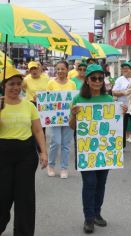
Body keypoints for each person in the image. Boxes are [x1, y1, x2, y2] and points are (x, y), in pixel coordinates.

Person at [69, 64, 127, 234]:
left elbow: (113, 127)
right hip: (86, 148)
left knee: (101, 183)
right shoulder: (78, 100)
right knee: (90, 182)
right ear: (87, 80)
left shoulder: (109, 100)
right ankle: (88, 218)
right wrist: (74, 115)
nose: (97, 81)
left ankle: (97, 213)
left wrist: (121, 114)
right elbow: (72, 126)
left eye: (100, 78)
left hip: (105, 149)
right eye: (93, 78)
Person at [0, 66, 48, 236]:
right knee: (2, 196)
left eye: (18, 84)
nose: (15, 88)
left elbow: (37, 131)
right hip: (2, 155)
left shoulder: (29, 106)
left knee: (25, 198)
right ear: (3, 85)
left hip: (26, 155)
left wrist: (43, 152)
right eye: (11, 84)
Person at [46, 61, 76, 179]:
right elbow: (46, 100)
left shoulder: (72, 84)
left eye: (62, 69)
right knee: (55, 142)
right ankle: (51, 165)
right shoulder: (51, 83)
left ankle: (64, 168)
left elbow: (75, 99)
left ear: (67, 70)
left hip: (69, 117)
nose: (60, 71)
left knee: (66, 144)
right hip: (55, 118)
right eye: (58, 69)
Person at [112, 61, 131, 147]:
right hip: (122, 107)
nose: (124, 70)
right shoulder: (119, 80)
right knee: (122, 127)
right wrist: (123, 92)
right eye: (123, 69)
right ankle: (121, 145)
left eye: (127, 68)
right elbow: (113, 92)